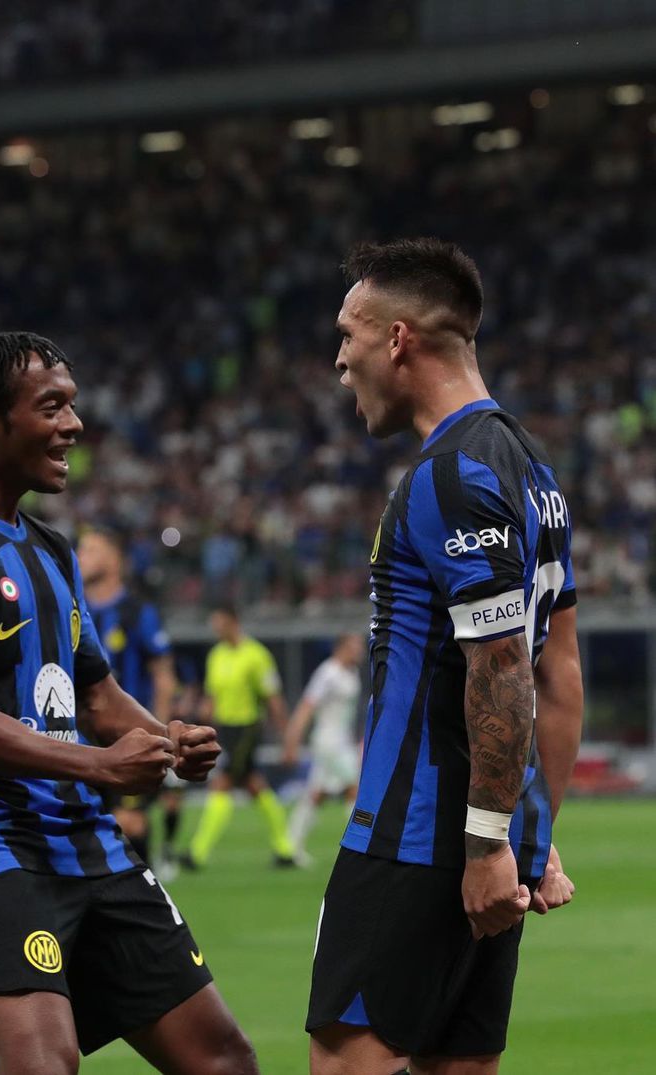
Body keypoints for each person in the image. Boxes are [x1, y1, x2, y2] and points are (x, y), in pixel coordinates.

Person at [0, 332, 258, 1075]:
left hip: (85, 835)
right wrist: (101, 767)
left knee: (223, 1061)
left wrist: (166, 739)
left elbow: (95, 693)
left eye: (71, 406)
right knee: (43, 1064)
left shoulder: (50, 550)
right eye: (52, 407)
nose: (74, 425)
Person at [307, 239, 582, 1075]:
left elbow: (504, 667)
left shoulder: (450, 475)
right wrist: (529, 831)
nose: (339, 360)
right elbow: (559, 673)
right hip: (479, 843)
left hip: (413, 841)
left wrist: (493, 843)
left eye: (348, 334)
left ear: (398, 339)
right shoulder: (536, 473)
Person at [78, 525, 183, 868]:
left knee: (130, 823)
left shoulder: (137, 612)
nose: (80, 557)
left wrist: (158, 735)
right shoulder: (71, 608)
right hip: (77, 744)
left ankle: (147, 889)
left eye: (90, 549)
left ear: (114, 559)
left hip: (127, 738)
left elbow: (164, 677)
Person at [182, 603, 296, 869]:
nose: (216, 628)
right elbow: (212, 697)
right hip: (224, 729)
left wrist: (286, 736)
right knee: (255, 785)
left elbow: (272, 698)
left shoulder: (256, 655)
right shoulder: (216, 655)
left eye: (219, 623)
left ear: (233, 621)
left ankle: (197, 854)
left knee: (222, 783)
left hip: (247, 728)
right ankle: (285, 849)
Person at [282, 634, 364, 862]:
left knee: (317, 794)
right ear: (342, 647)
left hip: (342, 741)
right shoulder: (328, 673)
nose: (360, 651)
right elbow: (307, 707)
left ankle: (289, 846)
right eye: (355, 646)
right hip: (329, 742)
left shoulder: (351, 673)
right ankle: (361, 846)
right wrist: (291, 740)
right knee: (357, 788)